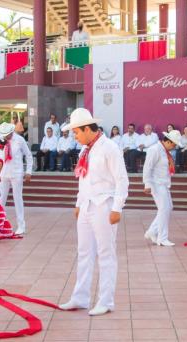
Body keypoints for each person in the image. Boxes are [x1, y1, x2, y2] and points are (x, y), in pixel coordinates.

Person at [58, 108, 129, 316]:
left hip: (105, 205)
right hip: (88, 205)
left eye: (76, 132)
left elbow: (121, 180)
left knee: (106, 254)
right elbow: (83, 180)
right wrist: (78, 203)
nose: (75, 136)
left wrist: (117, 208)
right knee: (84, 252)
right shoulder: (85, 150)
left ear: (87, 128)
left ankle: (106, 301)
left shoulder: (110, 148)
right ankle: (80, 297)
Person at [143, 130, 181, 247]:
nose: (174, 147)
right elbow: (147, 168)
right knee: (164, 209)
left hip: (163, 183)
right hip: (156, 183)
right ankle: (162, 238)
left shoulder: (164, 151)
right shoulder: (154, 150)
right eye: (174, 145)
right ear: (168, 141)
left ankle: (152, 232)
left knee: (167, 208)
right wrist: (147, 184)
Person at [0, 123, 33, 236]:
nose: (5, 137)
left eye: (7, 135)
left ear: (11, 132)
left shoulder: (19, 140)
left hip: (17, 172)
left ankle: (21, 226)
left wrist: (28, 171)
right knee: (1, 199)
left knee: (17, 198)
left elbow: (28, 155)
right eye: (3, 135)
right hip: (3, 172)